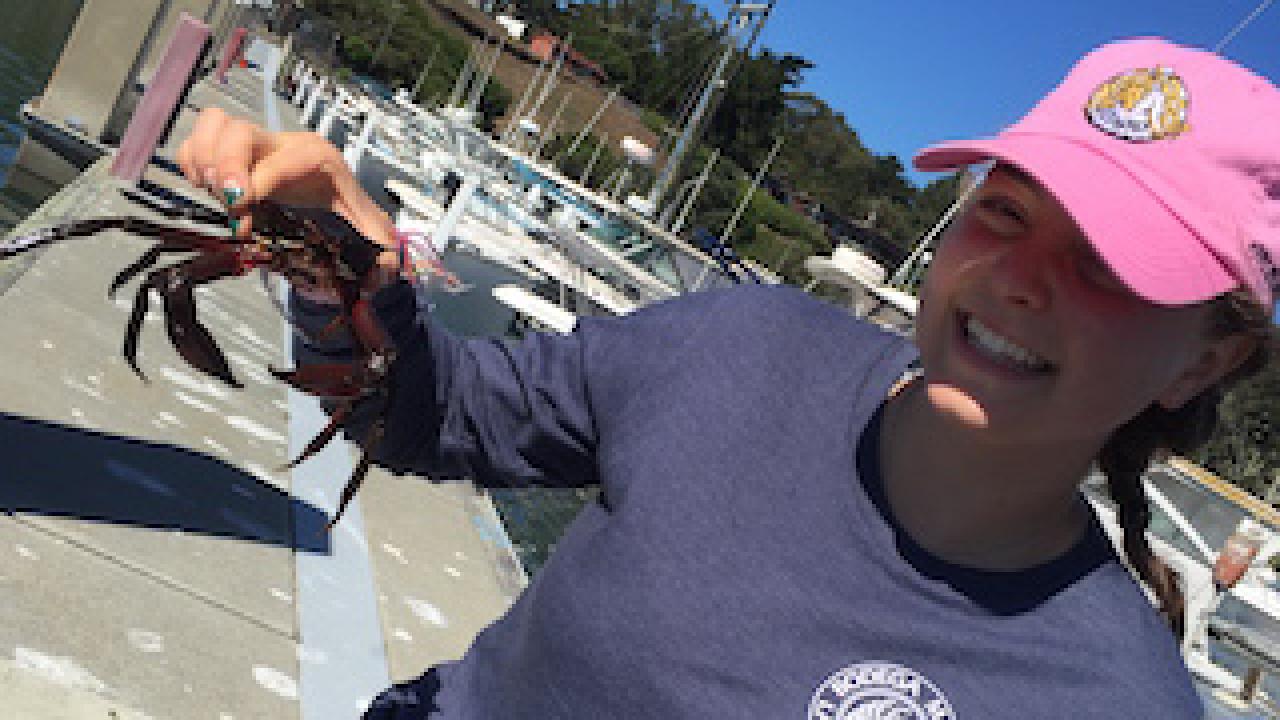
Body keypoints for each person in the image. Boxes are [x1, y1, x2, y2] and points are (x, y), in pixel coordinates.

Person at [177, 37, 1278, 718]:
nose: (1019, 281)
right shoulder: (739, 348)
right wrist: (338, 270)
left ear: (1206, 355)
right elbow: (426, 414)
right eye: (1003, 211)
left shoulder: (1102, 700)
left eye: (1106, 263)